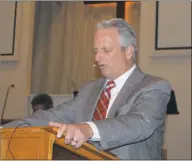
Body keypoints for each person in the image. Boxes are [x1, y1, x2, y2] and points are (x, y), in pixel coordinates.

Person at [1, 18, 172, 159]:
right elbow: (53, 116)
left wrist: (89, 129)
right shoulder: (90, 89)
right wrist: (5, 130)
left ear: (129, 51)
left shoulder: (154, 87)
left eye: (106, 50)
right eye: (96, 50)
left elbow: (140, 123)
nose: (97, 57)